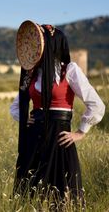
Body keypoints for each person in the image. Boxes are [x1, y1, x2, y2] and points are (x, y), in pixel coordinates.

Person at [9, 21, 105, 208]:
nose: (37, 48)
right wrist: (25, 118)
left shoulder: (69, 70)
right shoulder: (32, 74)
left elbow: (96, 104)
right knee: (30, 197)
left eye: (41, 43)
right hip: (33, 142)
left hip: (59, 140)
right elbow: (15, 106)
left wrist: (80, 132)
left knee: (62, 197)